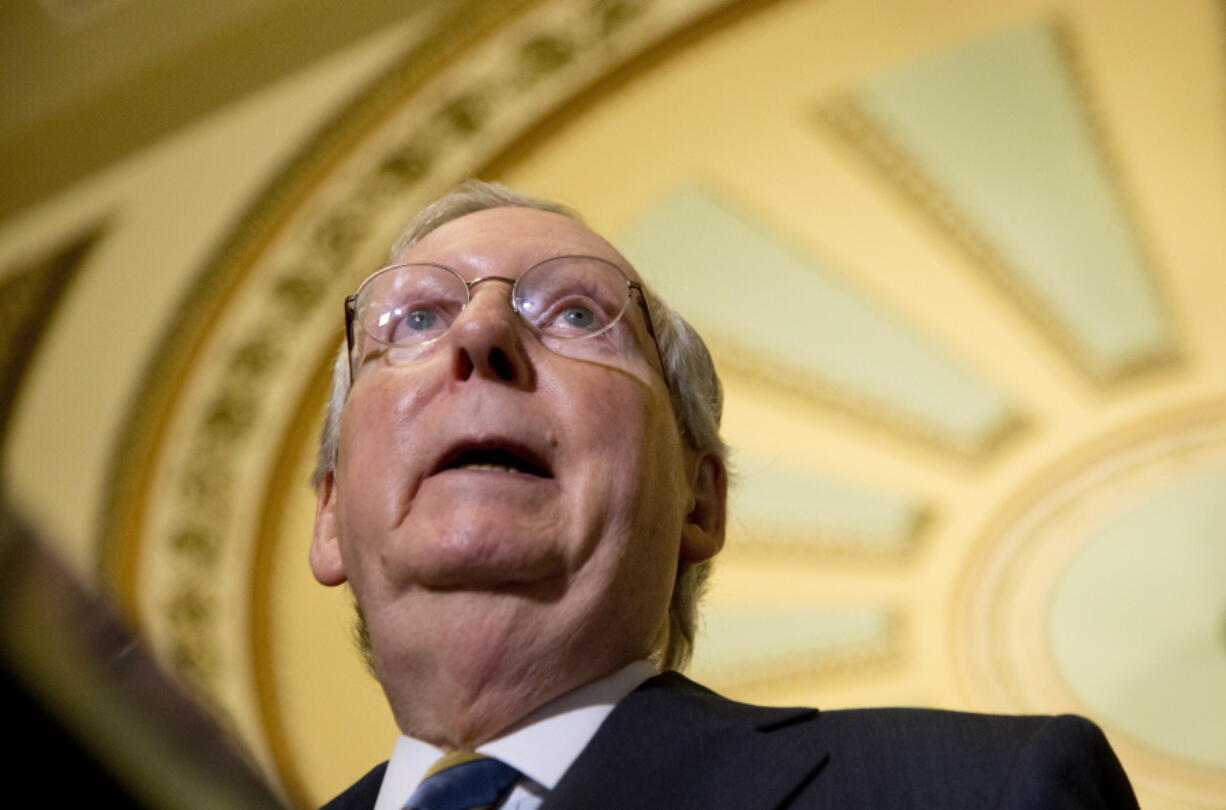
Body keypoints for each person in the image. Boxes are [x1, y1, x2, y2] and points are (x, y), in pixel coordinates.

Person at [309, 181, 1139, 810]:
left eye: (572, 312)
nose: (482, 334)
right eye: (416, 319)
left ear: (698, 501)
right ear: (330, 516)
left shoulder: (985, 793)